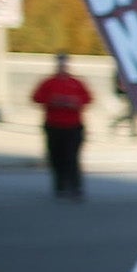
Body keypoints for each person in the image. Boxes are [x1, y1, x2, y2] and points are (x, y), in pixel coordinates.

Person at [30, 54, 93, 199]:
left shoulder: (76, 83)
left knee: (72, 157)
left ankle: (75, 187)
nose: (62, 67)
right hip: (54, 125)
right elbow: (36, 97)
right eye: (60, 64)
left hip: (73, 126)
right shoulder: (48, 82)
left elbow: (88, 98)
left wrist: (74, 102)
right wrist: (52, 101)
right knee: (56, 157)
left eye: (64, 64)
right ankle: (60, 186)